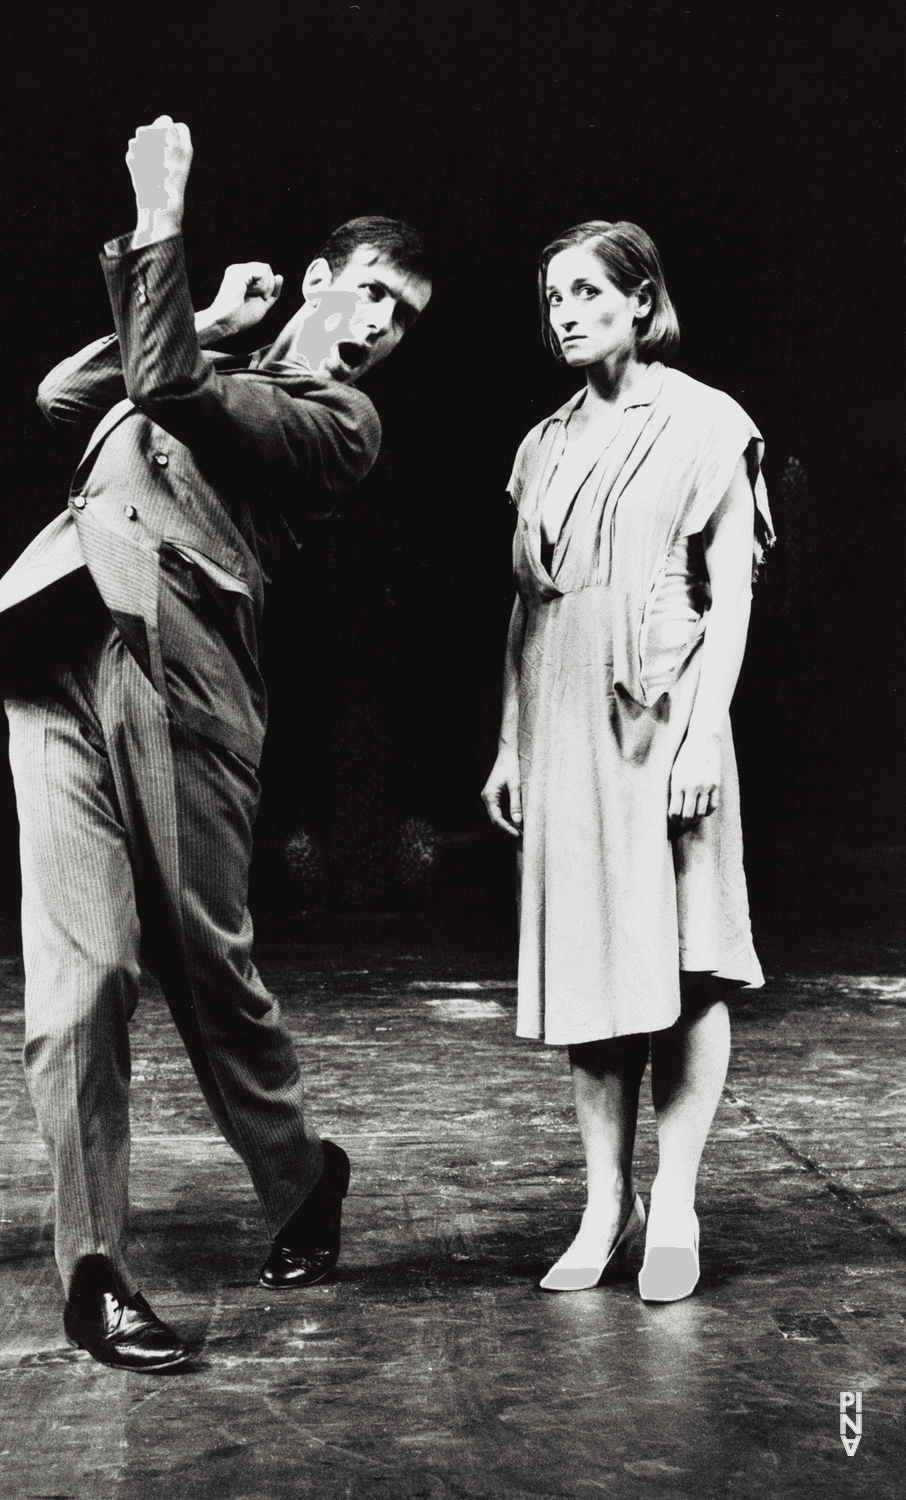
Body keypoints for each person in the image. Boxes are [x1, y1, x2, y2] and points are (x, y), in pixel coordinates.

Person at [0, 114, 432, 1372]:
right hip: (53, 660)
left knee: (207, 971)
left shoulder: (337, 421)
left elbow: (165, 389)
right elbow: (66, 394)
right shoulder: (209, 349)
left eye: (405, 318)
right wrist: (209, 313)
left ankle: (299, 1175)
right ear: (324, 278)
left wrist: (160, 215)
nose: (381, 324)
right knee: (80, 986)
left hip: (186, 684)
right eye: (371, 292)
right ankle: (95, 1271)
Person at [481, 220, 771, 1303]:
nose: (563, 310)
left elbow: (731, 591)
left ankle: (678, 1198)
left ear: (641, 303)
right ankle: (607, 1204)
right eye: (551, 293)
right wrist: (510, 741)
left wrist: (701, 729)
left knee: (688, 958)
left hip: (662, 716)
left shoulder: (704, 421)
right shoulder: (540, 443)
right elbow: (523, 610)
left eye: (588, 291)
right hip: (561, 719)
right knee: (591, 970)